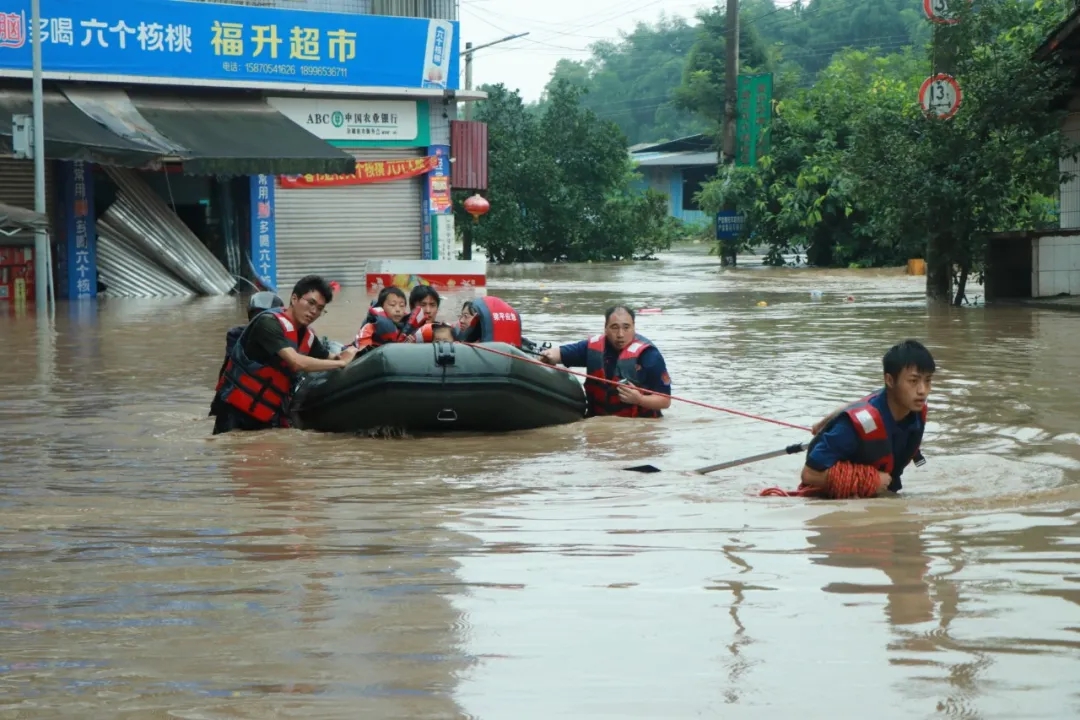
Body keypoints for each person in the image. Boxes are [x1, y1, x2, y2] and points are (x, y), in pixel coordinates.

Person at [213, 275, 357, 435]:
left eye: (320, 309)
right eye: (311, 303)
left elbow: (329, 357)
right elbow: (296, 362)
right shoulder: (267, 323)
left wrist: (352, 352)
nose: (314, 311)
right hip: (235, 412)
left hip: (267, 415)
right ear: (294, 299)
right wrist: (340, 363)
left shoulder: (307, 337)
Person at [800, 339, 935, 496]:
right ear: (890, 380)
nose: (923, 390)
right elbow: (809, 474)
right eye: (913, 381)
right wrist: (869, 480)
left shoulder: (914, 410)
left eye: (928, 380)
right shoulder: (852, 426)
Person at [540, 305, 671, 418]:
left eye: (626, 327)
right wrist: (548, 355)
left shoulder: (650, 356)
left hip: (639, 424)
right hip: (598, 421)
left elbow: (665, 400)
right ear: (605, 328)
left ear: (634, 328)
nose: (620, 334)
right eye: (614, 327)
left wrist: (639, 399)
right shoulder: (592, 348)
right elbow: (559, 353)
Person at [210, 291, 284, 418]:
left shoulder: (285, 339)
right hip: (238, 396)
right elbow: (229, 364)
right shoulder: (237, 335)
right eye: (257, 316)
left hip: (268, 399)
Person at [352, 286, 428, 351]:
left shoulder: (409, 329)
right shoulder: (369, 327)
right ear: (381, 307)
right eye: (392, 305)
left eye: (402, 306)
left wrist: (411, 346)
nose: (398, 309)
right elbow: (362, 352)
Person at [455, 295, 522, 347]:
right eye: (461, 316)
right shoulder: (454, 335)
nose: (461, 320)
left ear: (477, 318)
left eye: (466, 316)